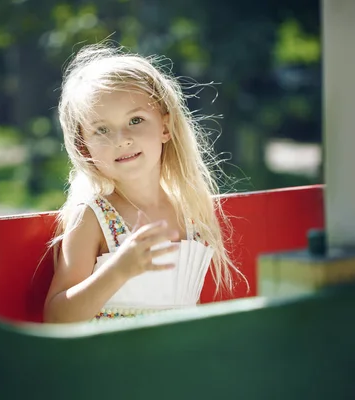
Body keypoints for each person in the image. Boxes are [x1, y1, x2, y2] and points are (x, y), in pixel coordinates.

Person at [43, 43, 243, 323]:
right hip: (116, 362)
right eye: (102, 129)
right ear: (84, 146)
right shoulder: (92, 217)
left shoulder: (191, 212)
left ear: (165, 127)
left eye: (135, 120)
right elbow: (56, 318)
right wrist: (119, 270)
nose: (121, 139)